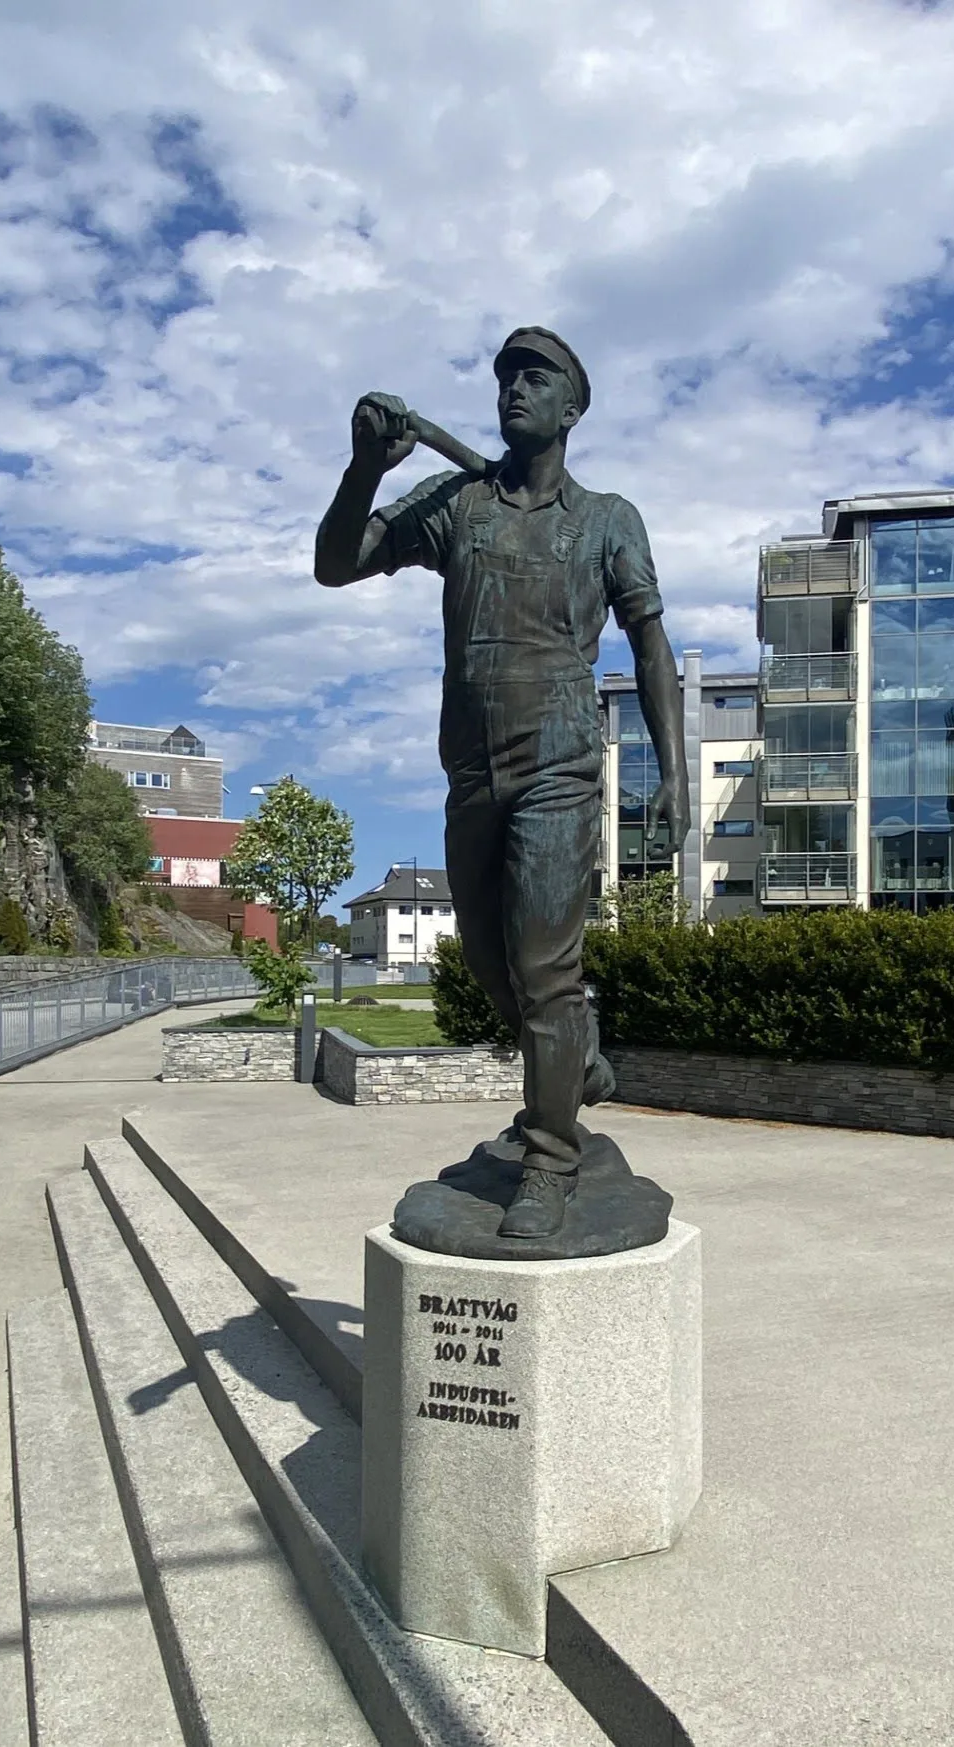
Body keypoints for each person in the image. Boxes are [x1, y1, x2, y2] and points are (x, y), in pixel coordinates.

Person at [315, 327, 688, 1238]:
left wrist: (672, 769)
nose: (513, 389)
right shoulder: (457, 503)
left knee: (543, 968)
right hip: (471, 768)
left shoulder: (608, 521)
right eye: (504, 377)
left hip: (559, 768)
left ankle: (549, 1165)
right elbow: (336, 563)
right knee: (487, 963)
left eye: (535, 377)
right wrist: (364, 467)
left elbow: (649, 648)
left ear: (571, 407)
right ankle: (578, 1059)